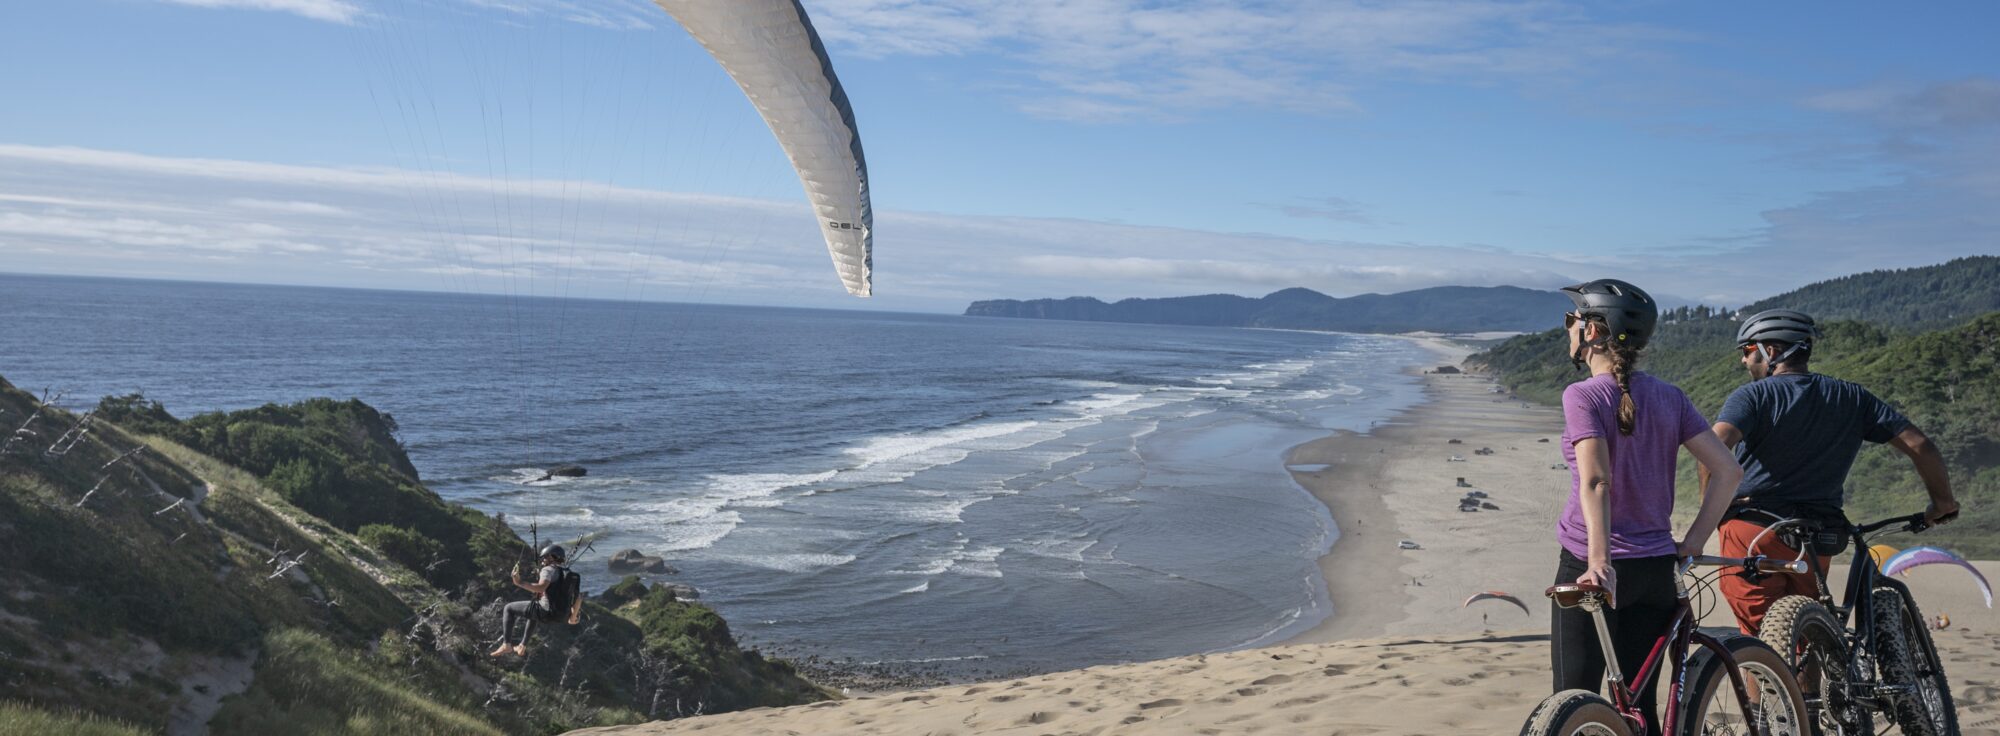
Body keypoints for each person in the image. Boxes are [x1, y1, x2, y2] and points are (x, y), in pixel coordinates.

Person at [1549, 279, 1742, 734]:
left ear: (1593, 331)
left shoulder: (1582, 396)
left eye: (1571, 320)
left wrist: (1599, 562)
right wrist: (1693, 541)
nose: (1568, 329)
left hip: (1590, 569)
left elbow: (1597, 480)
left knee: (1571, 705)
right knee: (1640, 710)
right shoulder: (1670, 397)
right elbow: (1728, 471)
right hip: (1656, 570)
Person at [1705, 309, 1959, 635]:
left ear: (1771, 350)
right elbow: (1920, 445)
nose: (1743, 361)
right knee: (1808, 630)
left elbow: (1711, 450)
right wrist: (1942, 503)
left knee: (1761, 640)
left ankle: (1773, 681)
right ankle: (1810, 687)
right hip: (1819, 534)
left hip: (1753, 533)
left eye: (1747, 350)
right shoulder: (1853, 398)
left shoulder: (1752, 395)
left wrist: (1711, 514)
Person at [490, 544, 583, 657]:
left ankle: (506, 645)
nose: (542, 560)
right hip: (561, 616)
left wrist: (519, 582)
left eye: (544, 557)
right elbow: (578, 598)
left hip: (545, 611)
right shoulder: (571, 575)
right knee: (532, 610)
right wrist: (573, 618)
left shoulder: (548, 569)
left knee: (508, 608)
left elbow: (541, 587)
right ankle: (522, 645)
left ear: (552, 557)